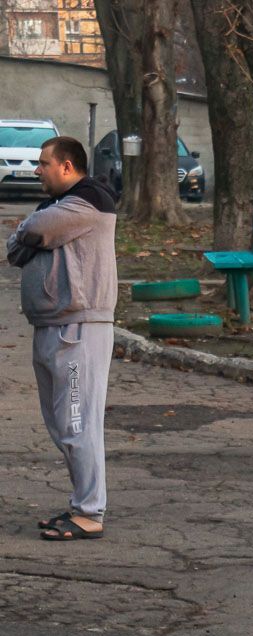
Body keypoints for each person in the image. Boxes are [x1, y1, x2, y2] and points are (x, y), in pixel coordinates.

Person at [6, 136, 118, 541]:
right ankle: (82, 504)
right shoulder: (58, 206)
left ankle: (90, 511)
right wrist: (28, 234)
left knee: (77, 421)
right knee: (62, 423)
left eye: (43, 163)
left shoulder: (88, 200)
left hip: (78, 328)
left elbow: (34, 230)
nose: (37, 170)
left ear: (67, 167)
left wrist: (29, 232)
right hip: (53, 324)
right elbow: (15, 249)